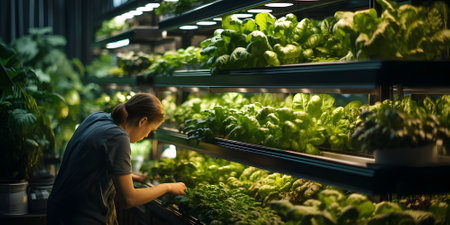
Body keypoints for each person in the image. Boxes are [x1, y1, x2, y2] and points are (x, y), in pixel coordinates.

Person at [47, 93, 186, 225]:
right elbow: (128, 199)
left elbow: (90, 164)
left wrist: (129, 177)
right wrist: (167, 187)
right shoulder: (118, 137)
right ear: (143, 121)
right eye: (150, 130)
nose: (146, 135)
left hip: (60, 210)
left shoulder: (97, 118)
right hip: (82, 217)